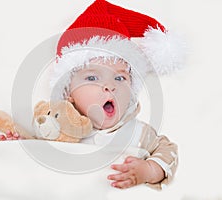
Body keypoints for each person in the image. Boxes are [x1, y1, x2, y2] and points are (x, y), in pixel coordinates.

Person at [49, 0, 185, 190]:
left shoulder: (138, 133)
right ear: (68, 92)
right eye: (92, 77)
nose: (109, 86)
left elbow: (169, 151)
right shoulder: (57, 127)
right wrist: (17, 141)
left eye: (120, 78)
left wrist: (148, 170)